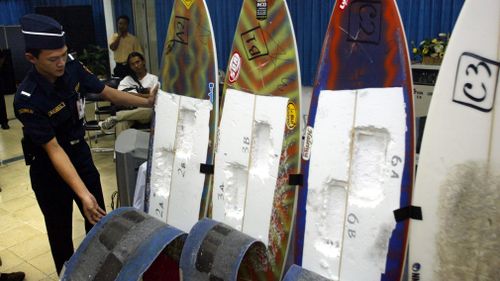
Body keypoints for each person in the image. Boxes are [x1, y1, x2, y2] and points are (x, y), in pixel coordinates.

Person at [14, 14, 157, 274]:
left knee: (97, 221)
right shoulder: (27, 98)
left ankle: (99, 272)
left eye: (63, 54)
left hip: (80, 155)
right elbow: (53, 149)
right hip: (50, 169)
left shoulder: (70, 65)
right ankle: (67, 274)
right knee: (60, 234)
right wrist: (82, 194)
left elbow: (104, 90)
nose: (61, 63)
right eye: (52, 59)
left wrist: (147, 102)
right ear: (31, 59)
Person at [98, 51, 158, 137]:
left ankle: (116, 117)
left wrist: (134, 96)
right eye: (133, 64)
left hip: (145, 113)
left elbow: (155, 98)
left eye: (138, 62)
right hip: (129, 111)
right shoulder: (127, 80)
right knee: (121, 124)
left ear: (143, 61)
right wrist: (146, 95)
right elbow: (120, 97)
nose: (136, 66)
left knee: (150, 111)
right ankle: (119, 150)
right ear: (130, 66)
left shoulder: (153, 79)